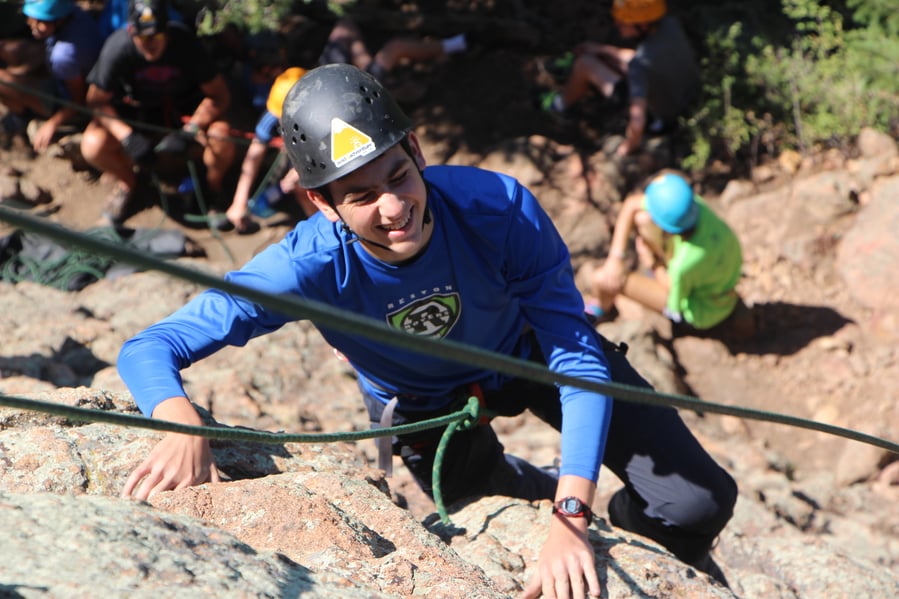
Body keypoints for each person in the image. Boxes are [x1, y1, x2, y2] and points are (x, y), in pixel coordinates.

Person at [117, 64, 737, 598]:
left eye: (397, 176)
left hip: (530, 354)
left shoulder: (497, 208)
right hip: (424, 404)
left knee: (699, 501)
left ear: (416, 151)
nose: (393, 208)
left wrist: (573, 517)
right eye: (360, 196)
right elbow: (150, 346)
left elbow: (573, 353)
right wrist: (178, 416)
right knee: (487, 509)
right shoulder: (303, 267)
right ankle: (535, 483)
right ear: (321, 204)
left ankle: (619, 521)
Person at [220, 18, 469, 233]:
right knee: (299, 184)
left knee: (385, 47)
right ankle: (332, 230)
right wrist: (239, 201)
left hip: (360, 97)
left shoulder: (330, 96)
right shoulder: (277, 110)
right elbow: (256, 151)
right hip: (352, 102)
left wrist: (366, 70)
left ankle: (448, 51)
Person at [80, 0, 236, 225]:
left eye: (156, 36)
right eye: (142, 37)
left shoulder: (185, 43)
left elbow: (220, 95)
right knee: (92, 145)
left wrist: (191, 129)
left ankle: (211, 190)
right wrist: (127, 137)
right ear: (131, 32)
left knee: (221, 135)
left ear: (167, 31)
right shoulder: (118, 47)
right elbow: (95, 101)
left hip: (184, 111)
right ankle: (130, 184)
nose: (149, 44)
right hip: (136, 114)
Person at [590, 170, 745, 335]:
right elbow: (632, 204)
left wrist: (653, 264)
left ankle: (599, 308)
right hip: (716, 279)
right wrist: (615, 258)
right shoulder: (695, 206)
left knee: (601, 280)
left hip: (700, 310)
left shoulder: (684, 265)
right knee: (643, 218)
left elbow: (674, 302)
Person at [541, 0, 699, 157]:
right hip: (683, 99)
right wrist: (603, 50)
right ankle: (576, 68)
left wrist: (626, 149)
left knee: (585, 64)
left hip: (661, 120)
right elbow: (640, 58)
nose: (617, 24)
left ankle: (558, 106)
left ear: (642, 25)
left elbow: (637, 122)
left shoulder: (640, 66)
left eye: (623, 22)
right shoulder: (670, 25)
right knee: (602, 57)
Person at [0, 0, 102, 153]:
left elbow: (78, 100)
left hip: (64, 100)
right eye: (31, 18)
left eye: (41, 21)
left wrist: (52, 123)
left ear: (58, 20)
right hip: (63, 70)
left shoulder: (63, 56)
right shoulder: (74, 14)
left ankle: (22, 116)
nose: (31, 24)